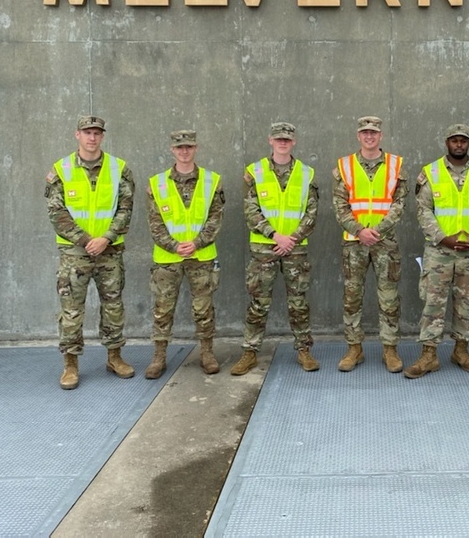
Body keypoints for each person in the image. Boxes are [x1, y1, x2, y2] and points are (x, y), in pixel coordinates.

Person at [45, 115, 135, 390]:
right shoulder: (61, 170)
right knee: (71, 310)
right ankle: (70, 364)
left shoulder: (119, 168)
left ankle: (114, 357)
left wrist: (106, 238)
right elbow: (56, 212)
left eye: (97, 133)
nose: (92, 137)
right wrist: (86, 240)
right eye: (87, 132)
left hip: (110, 251)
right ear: (77, 135)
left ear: (103, 136)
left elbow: (125, 208)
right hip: (75, 253)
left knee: (113, 306)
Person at [405, 123, 469, 379]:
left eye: (463, 140)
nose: (459, 144)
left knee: (467, 303)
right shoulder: (431, 172)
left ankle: (461, 350)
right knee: (433, 304)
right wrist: (442, 238)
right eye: (454, 140)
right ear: (446, 142)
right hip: (439, 251)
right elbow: (423, 210)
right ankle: (428, 356)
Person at [230, 122, 320, 375]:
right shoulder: (253, 171)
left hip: (295, 249)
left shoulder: (306, 173)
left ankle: (304, 350)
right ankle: (250, 352)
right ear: (270, 140)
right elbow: (250, 210)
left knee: (299, 303)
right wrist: (275, 236)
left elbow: (311, 212)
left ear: (294, 142)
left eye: (287, 139)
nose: (283, 142)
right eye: (278, 138)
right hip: (263, 248)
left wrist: (291, 238)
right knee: (258, 303)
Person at [143, 130, 226, 379]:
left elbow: (216, 217)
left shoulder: (213, 181)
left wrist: (197, 242)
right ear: (172, 150)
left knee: (204, 308)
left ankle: (207, 353)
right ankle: (158, 358)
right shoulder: (156, 184)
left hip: (201, 257)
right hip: (167, 259)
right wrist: (174, 245)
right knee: (162, 309)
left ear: (196, 148)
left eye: (189, 147)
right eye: (180, 147)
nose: (184, 151)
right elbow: (154, 222)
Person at [333, 116, 408, 373]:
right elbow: (339, 205)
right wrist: (360, 231)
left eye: (373, 133)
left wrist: (377, 231)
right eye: (365, 132)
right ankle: (354, 348)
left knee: (389, 298)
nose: (369, 136)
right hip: (354, 243)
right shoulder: (345, 165)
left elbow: (399, 204)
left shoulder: (396, 164)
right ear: (358, 135)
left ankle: (390, 349)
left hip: (385, 242)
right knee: (352, 298)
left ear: (380, 135)